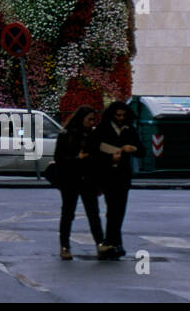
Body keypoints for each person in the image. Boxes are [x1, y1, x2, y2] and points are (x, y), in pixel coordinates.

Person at [53, 106, 105, 260]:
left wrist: (99, 182)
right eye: (89, 119)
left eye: (93, 120)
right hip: (71, 179)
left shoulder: (93, 135)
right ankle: (65, 246)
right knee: (68, 213)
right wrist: (77, 158)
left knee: (93, 213)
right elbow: (59, 158)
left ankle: (100, 244)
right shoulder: (67, 135)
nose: (91, 122)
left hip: (88, 179)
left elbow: (98, 159)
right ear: (81, 119)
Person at [92, 100, 140, 260]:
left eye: (123, 116)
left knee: (119, 211)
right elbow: (95, 151)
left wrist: (132, 148)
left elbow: (142, 150)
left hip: (123, 176)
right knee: (113, 210)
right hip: (108, 175)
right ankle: (113, 242)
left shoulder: (129, 130)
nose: (120, 118)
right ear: (112, 115)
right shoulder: (103, 129)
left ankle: (113, 242)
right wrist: (110, 157)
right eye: (118, 115)